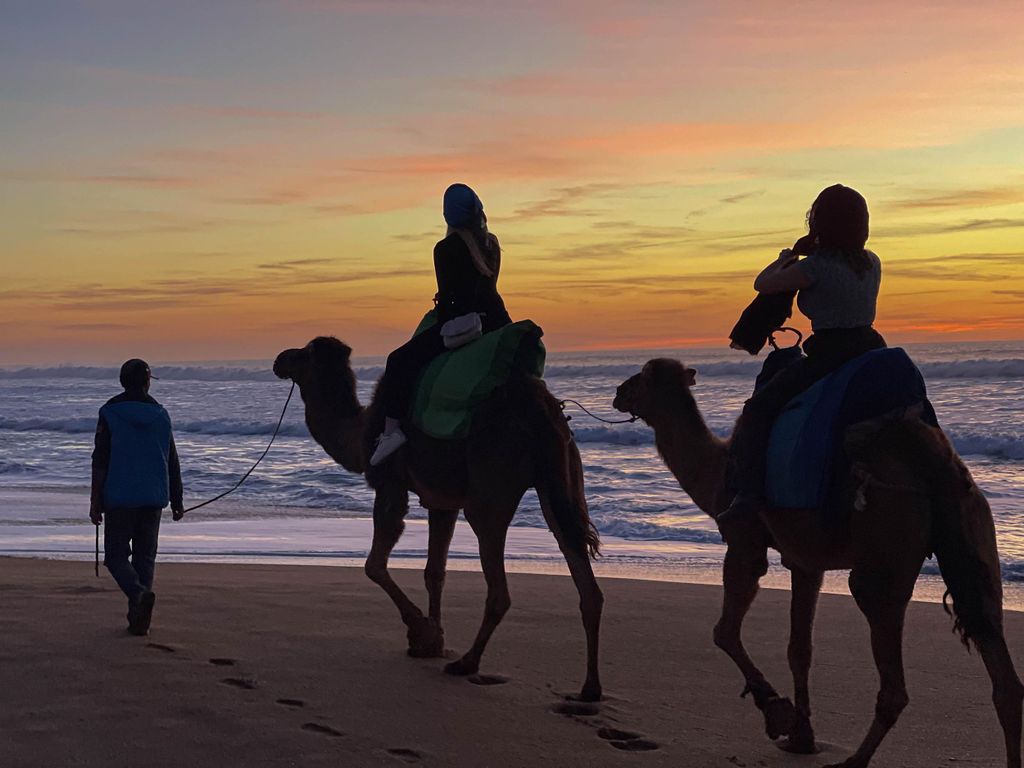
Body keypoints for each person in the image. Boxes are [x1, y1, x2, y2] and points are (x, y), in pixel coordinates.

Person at [717, 184, 885, 540]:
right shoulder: (872, 262)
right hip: (871, 349)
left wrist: (790, 254)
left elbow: (763, 284)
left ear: (818, 222)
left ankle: (748, 495)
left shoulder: (814, 269)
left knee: (758, 410)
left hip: (830, 354)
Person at [370, 183, 512, 466]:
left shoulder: (446, 248)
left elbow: (451, 302)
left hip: (466, 324)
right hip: (499, 322)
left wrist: (440, 311)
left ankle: (392, 431)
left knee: (398, 361)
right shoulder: (493, 244)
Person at [90, 358, 185, 635]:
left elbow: (100, 460)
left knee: (116, 557)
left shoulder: (109, 412)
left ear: (122, 381)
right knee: (144, 559)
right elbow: (172, 461)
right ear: (146, 382)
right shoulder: (161, 414)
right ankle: (139, 620)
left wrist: (95, 501)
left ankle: (138, 595)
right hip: (153, 496)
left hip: (119, 496)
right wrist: (177, 499)